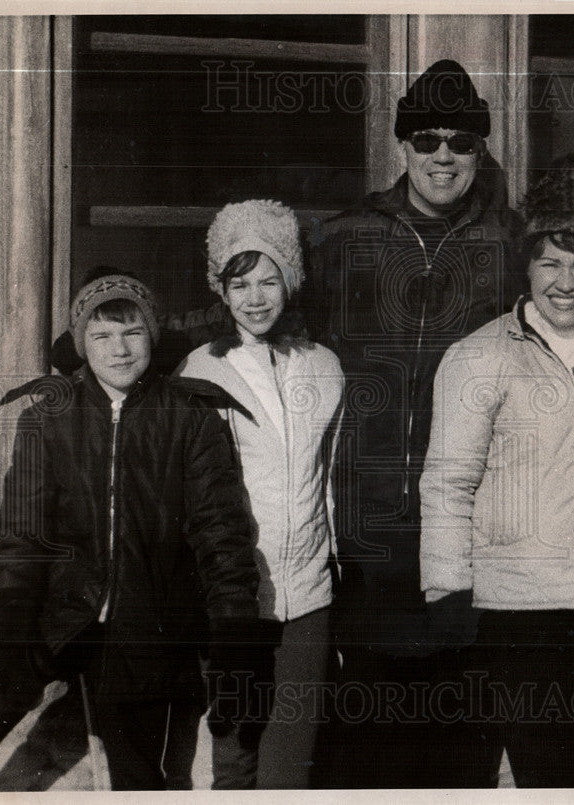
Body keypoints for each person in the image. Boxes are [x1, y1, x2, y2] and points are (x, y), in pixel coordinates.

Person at [0, 269, 268, 791]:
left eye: (132, 333)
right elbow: (22, 531)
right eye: (101, 336)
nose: (119, 350)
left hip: (145, 628)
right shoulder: (51, 416)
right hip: (63, 612)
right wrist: (16, 617)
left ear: (152, 336)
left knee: (138, 774)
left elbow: (220, 531)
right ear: (81, 345)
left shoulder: (189, 416)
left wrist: (233, 629)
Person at [307, 59, 524, 787]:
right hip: (363, 520)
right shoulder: (343, 238)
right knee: (363, 733)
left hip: (467, 520)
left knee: (459, 730)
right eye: (426, 139)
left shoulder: (512, 247)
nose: (442, 155)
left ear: (479, 153)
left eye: (461, 143)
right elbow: (256, 315)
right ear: (401, 145)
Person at [419, 151, 574, 787]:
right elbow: (448, 482)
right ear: (526, 267)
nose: (565, 281)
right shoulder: (477, 358)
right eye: (550, 262)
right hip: (519, 615)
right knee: (548, 779)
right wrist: (447, 590)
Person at [177, 199, 344, 789]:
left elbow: (328, 477)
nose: (255, 297)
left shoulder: (324, 366)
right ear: (221, 290)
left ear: (290, 281)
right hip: (236, 602)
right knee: (236, 757)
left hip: (307, 596)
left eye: (269, 279)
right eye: (239, 282)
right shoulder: (201, 372)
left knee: (287, 767)